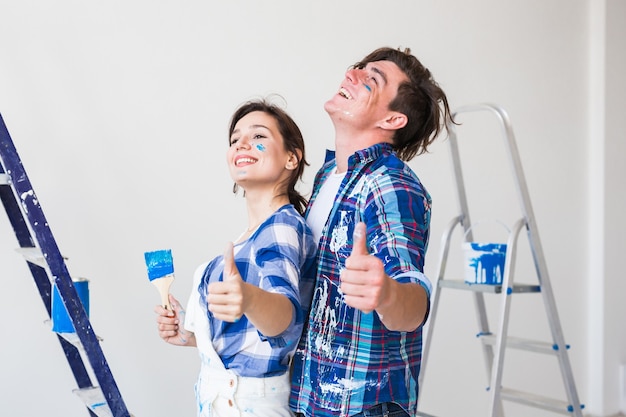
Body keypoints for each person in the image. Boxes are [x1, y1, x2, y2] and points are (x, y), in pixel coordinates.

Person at [289, 47, 455, 417]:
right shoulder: (328, 178)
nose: (352, 74)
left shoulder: (390, 184)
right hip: (311, 399)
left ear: (394, 119)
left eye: (372, 79)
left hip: (360, 407)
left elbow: (412, 299)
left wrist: (387, 293)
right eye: (359, 67)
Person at [155, 99, 317, 417]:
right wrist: (190, 335)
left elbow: (284, 320)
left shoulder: (281, 227)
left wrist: (250, 299)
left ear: (291, 158)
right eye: (235, 139)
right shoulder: (254, 235)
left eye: (259, 136)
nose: (242, 143)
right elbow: (249, 339)